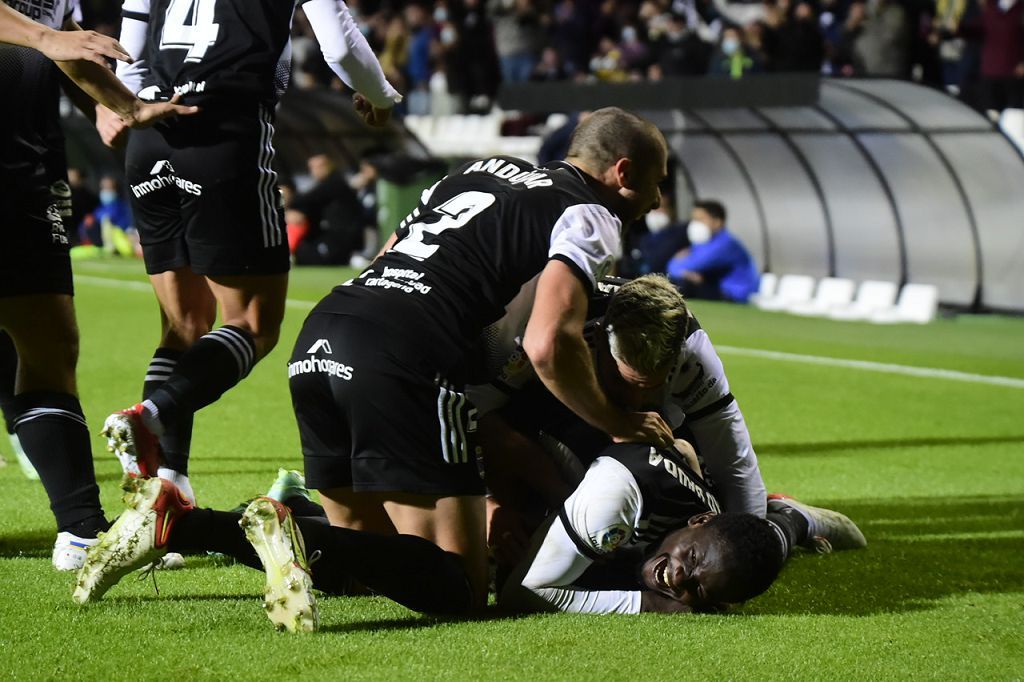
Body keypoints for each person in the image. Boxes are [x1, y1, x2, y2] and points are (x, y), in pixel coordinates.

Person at [74, 107, 675, 631]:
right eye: (656, 184)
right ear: (623, 172)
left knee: (362, 563)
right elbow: (550, 343)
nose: (656, 201)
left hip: (327, 330)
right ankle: (281, 522)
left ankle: (179, 525)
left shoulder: (483, 168)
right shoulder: (594, 215)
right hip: (404, 355)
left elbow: (390, 252)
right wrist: (616, 422)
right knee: (462, 590)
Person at [93, 0, 402, 505]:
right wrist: (380, 96)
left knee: (183, 325)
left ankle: (166, 490)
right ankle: (147, 418)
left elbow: (132, 46)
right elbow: (341, 43)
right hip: (224, 135)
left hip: (150, 136)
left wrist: (129, 103)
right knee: (255, 325)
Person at [0, 0, 197, 571]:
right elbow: (53, 40)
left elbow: (64, 45)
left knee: (49, 344)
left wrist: (124, 107)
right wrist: (47, 38)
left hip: (27, 164)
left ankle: (84, 531)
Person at [473, 274, 768, 524]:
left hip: (664, 429)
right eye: (622, 381)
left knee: (682, 485)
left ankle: (790, 518)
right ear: (599, 339)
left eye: (651, 386)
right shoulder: (555, 326)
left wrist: (747, 534)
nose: (635, 401)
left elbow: (733, 459)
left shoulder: (691, 352)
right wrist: (499, 503)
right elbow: (477, 409)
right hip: (550, 416)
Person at [499, 438, 866, 614]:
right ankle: (794, 517)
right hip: (516, 445)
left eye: (697, 588)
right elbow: (523, 593)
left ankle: (791, 520)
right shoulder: (614, 498)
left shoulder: (715, 545)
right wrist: (650, 605)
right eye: (689, 558)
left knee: (765, 543)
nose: (676, 577)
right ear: (699, 521)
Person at [666, 200, 760, 303]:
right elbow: (676, 267)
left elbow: (691, 264)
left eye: (700, 219)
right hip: (718, 289)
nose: (695, 224)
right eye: (694, 219)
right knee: (678, 283)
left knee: (683, 286)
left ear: (717, 222)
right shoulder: (704, 242)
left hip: (733, 295)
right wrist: (683, 271)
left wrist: (679, 264)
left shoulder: (725, 244)